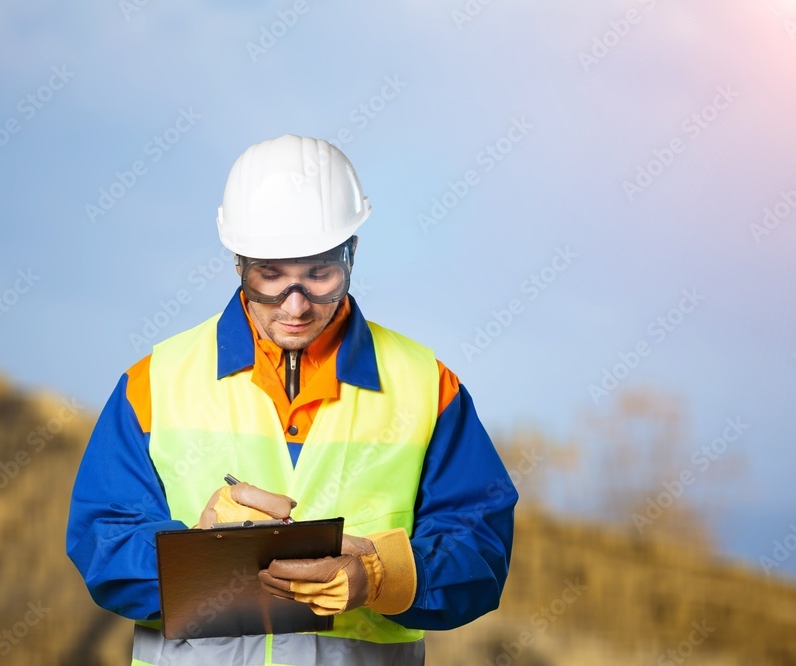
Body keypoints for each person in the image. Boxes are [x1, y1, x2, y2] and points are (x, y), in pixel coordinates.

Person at [66, 134, 518, 665]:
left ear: (352, 253)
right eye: (271, 277)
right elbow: (103, 538)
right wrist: (198, 553)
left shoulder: (427, 386)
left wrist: (380, 574)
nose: (296, 306)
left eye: (319, 275)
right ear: (239, 263)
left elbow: (480, 547)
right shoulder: (156, 382)